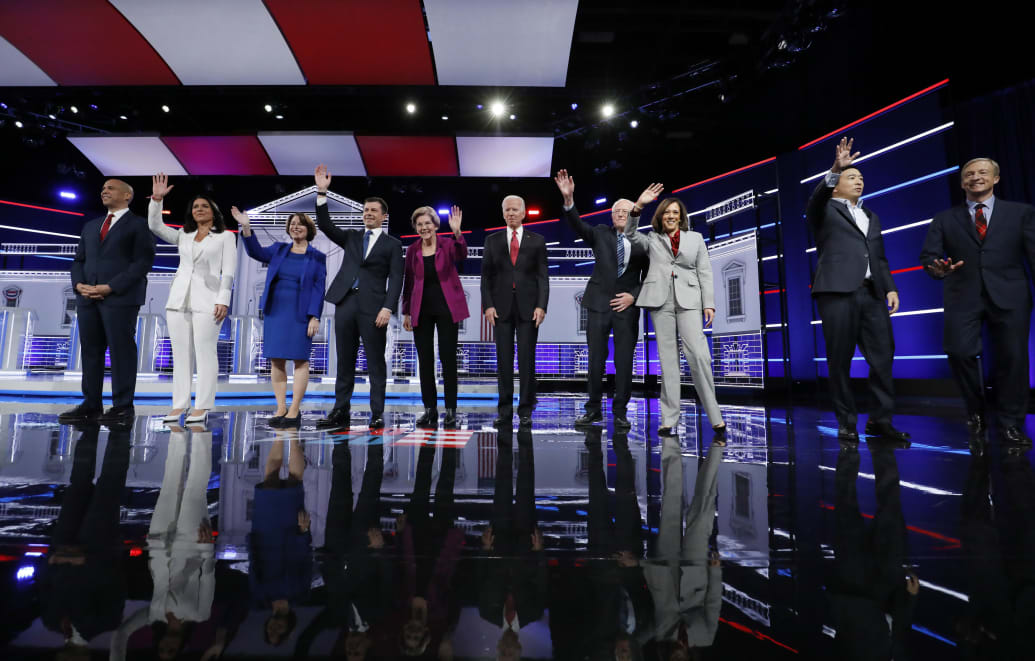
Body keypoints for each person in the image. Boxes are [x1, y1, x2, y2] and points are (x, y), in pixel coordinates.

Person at [920, 157, 1035, 446]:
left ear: (995, 178)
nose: (975, 177)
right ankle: (976, 411)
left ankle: (1011, 423)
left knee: (1013, 359)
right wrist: (937, 268)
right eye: (969, 174)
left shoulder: (1021, 213)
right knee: (959, 352)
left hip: (1010, 295)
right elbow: (929, 257)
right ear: (962, 183)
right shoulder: (944, 219)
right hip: (963, 295)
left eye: (983, 172)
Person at [807, 137, 908, 443]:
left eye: (861, 178)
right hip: (837, 292)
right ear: (837, 184)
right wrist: (835, 169)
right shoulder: (824, 211)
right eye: (852, 177)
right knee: (840, 359)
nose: (859, 181)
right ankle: (846, 421)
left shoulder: (871, 216)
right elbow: (813, 202)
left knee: (883, 357)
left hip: (872, 293)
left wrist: (889, 287)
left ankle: (880, 420)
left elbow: (879, 257)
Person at [625, 187, 726, 437]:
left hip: (689, 300)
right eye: (667, 212)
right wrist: (638, 204)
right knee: (668, 361)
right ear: (660, 216)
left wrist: (709, 303)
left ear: (681, 217)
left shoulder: (696, 239)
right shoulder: (652, 239)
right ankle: (669, 419)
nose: (671, 215)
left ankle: (715, 415)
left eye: (675, 212)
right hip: (661, 302)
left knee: (699, 356)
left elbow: (705, 271)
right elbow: (629, 233)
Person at [555, 169, 649, 430]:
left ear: (635, 215)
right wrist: (569, 200)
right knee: (595, 359)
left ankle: (620, 412)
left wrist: (634, 296)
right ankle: (593, 410)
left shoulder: (644, 242)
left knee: (624, 361)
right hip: (597, 306)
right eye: (615, 211)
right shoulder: (599, 233)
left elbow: (651, 277)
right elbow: (577, 224)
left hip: (627, 309)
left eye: (625, 211)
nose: (619, 214)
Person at [313, 164, 404, 431]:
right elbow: (326, 225)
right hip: (346, 304)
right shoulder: (352, 237)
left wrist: (388, 307)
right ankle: (340, 411)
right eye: (365, 210)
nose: (368, 214)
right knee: (344, 360)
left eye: (373, 210)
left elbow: (397, 279)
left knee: (376, 363)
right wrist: (322, 192)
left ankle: (377, 413)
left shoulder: (393, 245)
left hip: (374, 308)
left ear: (383, 216)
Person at [59, 179, 156, 427]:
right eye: (102, 188)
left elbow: (142, 264)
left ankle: (123, 407)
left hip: (120, 299)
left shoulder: (138, 225)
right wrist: (79, 285)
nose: (104, 190)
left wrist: (111, 287)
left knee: (121, 352)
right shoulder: (91, 226)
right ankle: (91, 405)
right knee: (91, 352)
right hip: (87, 298)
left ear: (127, 196)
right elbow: (78, 260)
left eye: (111, 188)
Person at [148, 174, 237, 425]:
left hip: (209, 301)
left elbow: (228, 271)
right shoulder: (183, 235)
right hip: (178, 300)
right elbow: (155, 226)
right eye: (195, 206)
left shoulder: (225, 237)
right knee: (181, 355)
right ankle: (179, 405)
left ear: (213, 211)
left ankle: (203, 405)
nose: (199, 209)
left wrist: (224, 299)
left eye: (204, 206)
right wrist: (157, 199)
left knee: (205, 352)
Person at [233, 207, 326, 429]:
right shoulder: (279, 249)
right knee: (276, 359)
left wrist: (315, 316)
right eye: (292, 223)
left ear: (308, 229)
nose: (295, 227)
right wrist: (246, 226)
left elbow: (318, 288)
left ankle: (294, 409)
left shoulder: (317, 257)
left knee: (300, 359)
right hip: (276, 310)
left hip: (301, 313)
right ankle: (281, 407)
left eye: (300, 223)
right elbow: (255, 252)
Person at [643, 435, 725, 656]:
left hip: (664, 571)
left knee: (670, 502)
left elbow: (641, 633)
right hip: (696, 572)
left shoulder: (662, 636)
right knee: (702, 512)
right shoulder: (704, 638)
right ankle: (715, 454)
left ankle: (670, 444)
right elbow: (713, 604)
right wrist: (715, 572)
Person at [481, 195, 549, 428]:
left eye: (515, 209)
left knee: (527, 361)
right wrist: (488, 305)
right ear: (503, 213)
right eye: (507, 210)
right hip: (500, 309)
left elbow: (542, 277)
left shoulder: (537, 241)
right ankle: (505, 410)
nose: (510, 213)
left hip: (529, 309)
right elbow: (486, 277)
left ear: (523, 213)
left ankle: (526, 409)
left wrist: (542, 306)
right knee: (504, 361)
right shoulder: (492, 240)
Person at [402, 205, 469, 429]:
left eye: (427, 223)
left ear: (435, 225)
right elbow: (409, 281)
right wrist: (406, 312)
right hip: (421, 309)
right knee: (425, 361)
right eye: (419, 224)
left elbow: (462, 255)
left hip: (448, 308)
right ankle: (430, 409)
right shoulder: (412, 250)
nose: (424, 228)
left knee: (448, 359)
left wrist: (457, 232)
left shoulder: (448, 244)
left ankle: (450, 410)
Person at [249, 431, 313, 648]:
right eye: (279, 633)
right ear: (288, 629)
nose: (274, 629)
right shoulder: (300, 594)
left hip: (265, 534)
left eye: (270, 632)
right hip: (293, 535)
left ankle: (280, 435)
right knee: (295, 481)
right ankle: (293, 435)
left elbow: (253, 564)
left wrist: (252, 539)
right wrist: (304, 533)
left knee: (270, 480)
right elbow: (306, 562)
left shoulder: (260, 596)